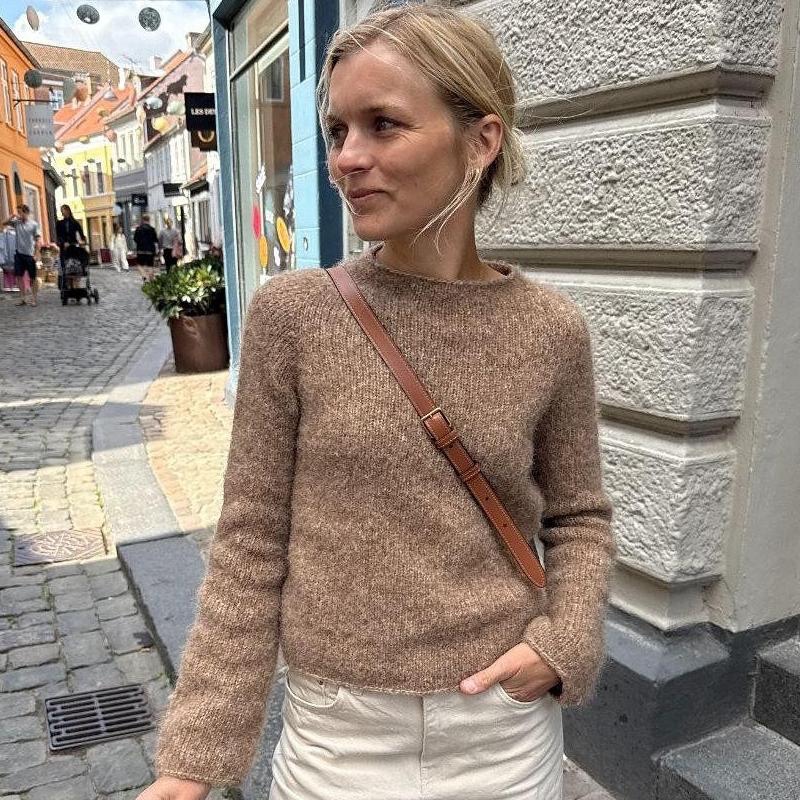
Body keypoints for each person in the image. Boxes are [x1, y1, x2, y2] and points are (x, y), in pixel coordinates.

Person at [138, 7, 614, 800]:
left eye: (383, 124)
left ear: (480, 141)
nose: (346, 158)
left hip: (502, 732)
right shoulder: (295, 316)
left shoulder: (550, 330)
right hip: (338, 741)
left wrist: (565, 640)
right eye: (337, 131)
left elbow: (579, 517)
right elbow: (252, 540)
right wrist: (194, 759)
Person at [3, 204, 41, 307]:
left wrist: (36, 253)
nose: (19, 214)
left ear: (26, 212)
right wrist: (12, 216)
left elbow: (38, 240)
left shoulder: (33, 224)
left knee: (33, 277)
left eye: (21, 212)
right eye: (18, 212)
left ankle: (34, 299)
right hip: (19, 254)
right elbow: (4, 223)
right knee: (19, 276)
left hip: (30, 255)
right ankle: (23, 298)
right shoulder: (17, 223)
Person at [134, 214, 159, 281]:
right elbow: (156, 240)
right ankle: (151, 280)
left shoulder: (138, 229)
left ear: (142, 220)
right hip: (150, 251)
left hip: (140, 251)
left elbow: (135, 239)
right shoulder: (152, 229)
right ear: (149, 220)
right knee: (150, 266)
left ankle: (144, 275)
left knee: (139, 265)